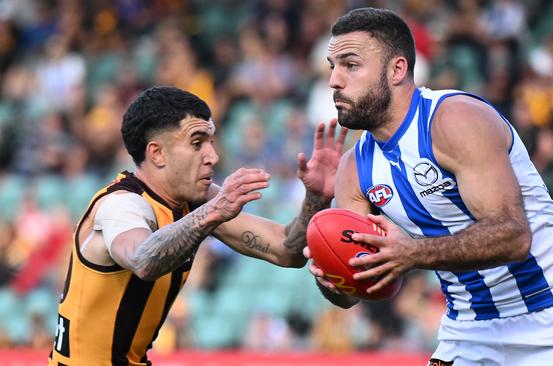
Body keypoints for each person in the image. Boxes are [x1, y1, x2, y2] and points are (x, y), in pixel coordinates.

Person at [305, 8, 553, 366]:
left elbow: (514, 236)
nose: (334, 80)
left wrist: (411, 253)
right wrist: (333, 273)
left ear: (397, 70)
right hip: (467, 331)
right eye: (332, 66)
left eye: (350, 65)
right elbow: (352, 295)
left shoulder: (455, 119)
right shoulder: (354, 170)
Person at [48, 86, 347, 365]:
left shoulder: (195, 200)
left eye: (211, 142)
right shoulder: (122, 205)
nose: (213, 156)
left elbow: (286, 250)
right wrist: (215, 211)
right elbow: (142, 259)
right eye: (197, 143)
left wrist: (316, 199)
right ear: (157, 153)